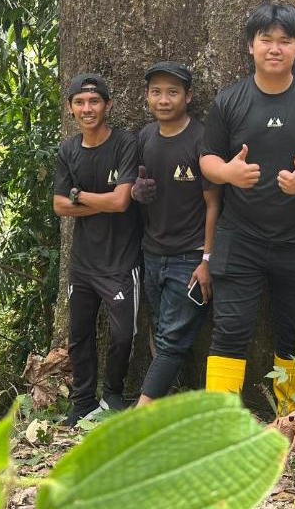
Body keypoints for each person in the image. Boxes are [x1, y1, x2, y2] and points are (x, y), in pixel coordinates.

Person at [199, 2, 295, 414]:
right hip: (240, 237)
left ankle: (293, 423)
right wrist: (228, 174)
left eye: (285, 41)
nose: (275, 48)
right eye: (267, 39)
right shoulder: (230, 100)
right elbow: (207, 157)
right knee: (230, 331)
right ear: (251, 46)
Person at [131, 61, 222, 406]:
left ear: (188, 96)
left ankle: (142, 412)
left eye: (172, 92)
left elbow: (214, 204)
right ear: (147, 97)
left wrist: (207, 259)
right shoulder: (145, 138)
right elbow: (136, 189)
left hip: (190, 256)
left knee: (173, 338)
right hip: (152, 253)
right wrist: (136, 193)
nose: (163, 100)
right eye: (156, 92)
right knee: (161, 330)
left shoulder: (201, 139)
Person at [52, 73, 140, 424]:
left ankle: (113, 393)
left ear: (108, 105)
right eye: (80, 103)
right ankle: (83, 401)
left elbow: (121, 202)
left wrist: (80, 195)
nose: (87, 109)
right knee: (80, 334)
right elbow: (59, 206)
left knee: (123, 334)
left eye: (94, 102)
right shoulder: (68, 149)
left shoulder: (124, 143)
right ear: (71, 109)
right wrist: (97, 200)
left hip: (120, 261)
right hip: (83, 263)